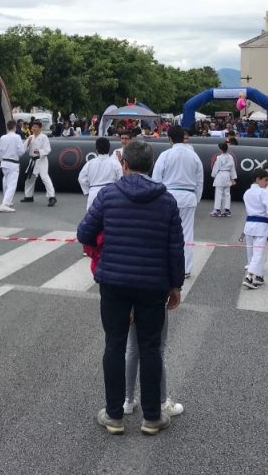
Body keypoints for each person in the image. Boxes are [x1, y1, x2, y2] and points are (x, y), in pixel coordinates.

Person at [77, 139, 184, 436]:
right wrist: (175, 286)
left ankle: (114, 415)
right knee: (150, 348)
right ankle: (152, 417)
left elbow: (84, 231)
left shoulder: (108, 196)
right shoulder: (166, 201)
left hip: (114, 281)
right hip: (152, 285)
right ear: (151, 166)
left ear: (124, 164)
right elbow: (175, 248)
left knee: (114, 344)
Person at [152, 125, 203, 277]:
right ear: (184, 137)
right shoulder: (194, 156)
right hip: (188, 196)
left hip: (168, 196)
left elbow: (156, 178)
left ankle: (164, 266)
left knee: (165, 233)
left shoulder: (165, 155)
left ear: (170, 139)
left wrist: (156, 199)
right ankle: (185, 269)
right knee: (186, 233)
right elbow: (200, 180)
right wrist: (197, 198)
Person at [241, 168, 268, 289]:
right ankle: (249, 276)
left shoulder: (246, 193)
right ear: (257, 179)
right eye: (265, 180)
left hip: (249, 225)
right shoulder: (264, 192)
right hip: (261, 226)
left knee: (251, 253)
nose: (266, 183)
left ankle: (258, 276)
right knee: (259, 253)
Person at [78, 137, 123, 209]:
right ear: (109, 148)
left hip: (93, 193)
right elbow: (121, 179)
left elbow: (81, 178)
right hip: (110, 193)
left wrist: (88, 191)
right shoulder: (115, 163)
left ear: (96, 150)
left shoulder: (89, 163)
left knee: (92, 218)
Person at [21, 120, 56, 206]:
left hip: (41, 160)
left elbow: (48, 149)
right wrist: (28, 143)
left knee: (44, 177)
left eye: (36, 127)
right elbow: (23, 149)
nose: (34, 128)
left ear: (40, 128)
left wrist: (39, 152)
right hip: (32, 160)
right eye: (33, 127)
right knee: (29, 178)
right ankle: (29, 196)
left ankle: (51, 197)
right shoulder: (30, 137)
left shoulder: (44, 137)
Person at [0, 120, 26, 213]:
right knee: (12, 185)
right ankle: (5, 204)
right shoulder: (17, 137)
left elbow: (0, 151)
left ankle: (7, 201)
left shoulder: (2, 137)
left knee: (6, 182)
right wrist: (26, 144)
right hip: (13, 163)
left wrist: (2, 161)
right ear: (14, 127)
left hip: (4, 162)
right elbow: (21, 152)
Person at [210, 140, 237, 217]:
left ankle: (217, 210)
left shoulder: (219, 158)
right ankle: (227, 210)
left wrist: (213, 175)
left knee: (219, 193)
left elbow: (216, 168)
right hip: (228, 175)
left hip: (220, 175)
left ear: (220, 149)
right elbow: (232, 168)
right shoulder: (231, 157)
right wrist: (233, 178)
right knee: (227, 194)